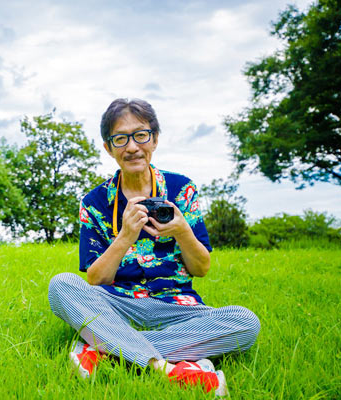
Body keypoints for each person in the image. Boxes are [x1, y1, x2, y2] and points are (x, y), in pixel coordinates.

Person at [48, 98, 260, 396]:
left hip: (178, 307)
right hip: (118, 304)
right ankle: (173, 368)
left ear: (155, 139)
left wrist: (183, 231)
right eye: (120, 139)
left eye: (141, 135)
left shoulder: (180, 189)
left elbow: (201, 268)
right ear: (108, 148)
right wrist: (125, 236)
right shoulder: (94, 202)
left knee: (245, 322)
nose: (132, 147)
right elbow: (96, 279)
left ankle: (107, 347)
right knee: (62, 285)